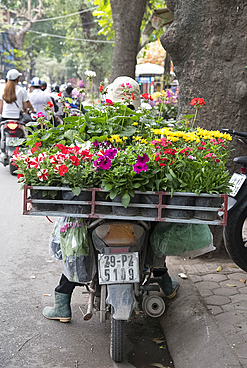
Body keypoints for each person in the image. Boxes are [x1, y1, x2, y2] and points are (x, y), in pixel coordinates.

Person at [43, 76, 179, 323]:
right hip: (137, 212)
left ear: (109, 101)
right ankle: (165, 281)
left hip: (101, 211)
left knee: (77, 237)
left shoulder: (95, 128)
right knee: (158, 226)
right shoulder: (146, 132)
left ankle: (63, 299)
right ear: (136, 103)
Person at [0, 69, 35, 163]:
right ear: (17, 79)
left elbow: (1, 107)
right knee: (29, 131)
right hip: (18, 119)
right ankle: (29, 148)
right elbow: (26, 105)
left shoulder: (2, 90)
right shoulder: (22, 90)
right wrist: (31, 110)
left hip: (5, 118)